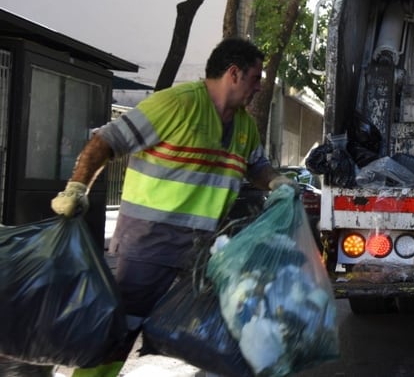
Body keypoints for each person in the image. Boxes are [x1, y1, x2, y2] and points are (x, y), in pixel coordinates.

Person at [50, 38, 295, 377]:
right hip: (149, 245)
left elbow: (256, 167)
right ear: (234, 73)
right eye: (255, 78)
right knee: (120, 333)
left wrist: (276, 181)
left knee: (221, 332)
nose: (258, 88)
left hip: (202, 251)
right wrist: (78, 188)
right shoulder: (176, 104)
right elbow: (105, 141)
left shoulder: (244, 126)